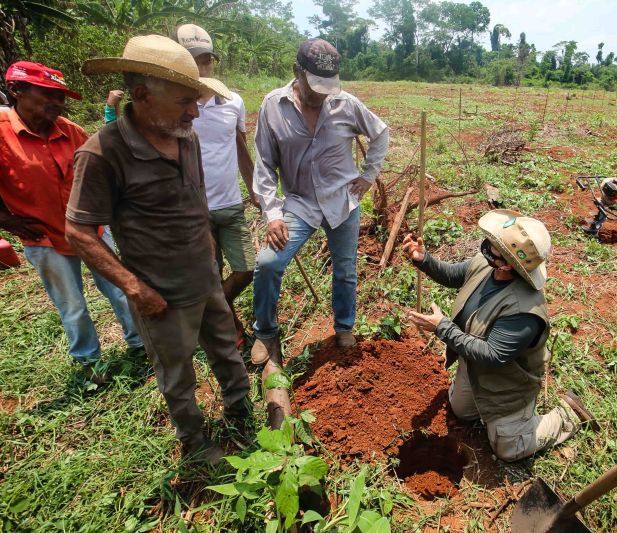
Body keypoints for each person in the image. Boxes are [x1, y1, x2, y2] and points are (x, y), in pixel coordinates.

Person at [65, 35, 251, 463]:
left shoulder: (186, 137)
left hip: (204, 277)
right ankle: (195, 442)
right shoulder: (102, 153)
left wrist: (207, 249)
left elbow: (196, 201)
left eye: (198, 99)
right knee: (177, 373)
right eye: (186, 100)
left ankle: (240, 411)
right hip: (160, 294)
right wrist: (134, 287)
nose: (195, 110)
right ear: (143, 96)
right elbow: (78, 231)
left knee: (226, 349)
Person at [403, 210, 597, 462]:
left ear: (507, 263)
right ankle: (486, 406)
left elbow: (493, 355)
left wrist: (443, 327)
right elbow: (454, 275)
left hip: (507, 382)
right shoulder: (486, 266)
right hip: (475, 366)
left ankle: (567, 417)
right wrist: (424, 259)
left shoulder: (523, 310)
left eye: (494, 247)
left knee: (508, 450)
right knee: (460, 410)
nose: (487, 247)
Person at [0, 60, 142, 384]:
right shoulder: (2, 135)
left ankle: (139, 343)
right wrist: (7, 219)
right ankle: (91, 363)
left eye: (61, 96)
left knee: (120, 288)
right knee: (73, 306)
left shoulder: (71, 131)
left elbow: (100, 171)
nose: (57, 103)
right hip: (46, 237)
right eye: (48, 94)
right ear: (16, 90)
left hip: (92, 230)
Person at [250, 38, 389, 366]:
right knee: (269, 263)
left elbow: (381, 133)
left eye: (328, 86)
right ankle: (265, 332)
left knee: (345, 269)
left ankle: (344, 327)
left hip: (342, 200)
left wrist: (368, 175)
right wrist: (272, 214)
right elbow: (265, 165)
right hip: (300, 202)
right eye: (315, 85)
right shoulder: (273, 106)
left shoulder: (347, 104)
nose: (322, 93)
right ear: (296, 72)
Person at [174, 24, 258, 349]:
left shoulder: (233, 102)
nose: (202, 67)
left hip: (231, 205)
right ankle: (234, 335)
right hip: (195, 211)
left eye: (206, 60)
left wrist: (254, 188)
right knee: (209, 275)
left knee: (247, 269)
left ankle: (205, 316)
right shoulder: (175, 107)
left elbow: (240, 148)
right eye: (195, 60)